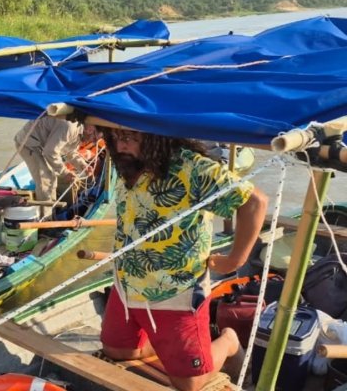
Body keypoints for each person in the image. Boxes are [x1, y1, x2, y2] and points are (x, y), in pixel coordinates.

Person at [98, 127, 268, 391]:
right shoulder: (129, 163)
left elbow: (255, 202)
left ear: (157, 136)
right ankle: (171, 346)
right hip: (127, 281)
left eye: (130, 137)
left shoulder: (192, 167)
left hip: (177, 289)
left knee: (189, 382)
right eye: (114, 137)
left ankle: (228, 340)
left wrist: (234, 260)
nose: (120, 146)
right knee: (117, 350)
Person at [14, 116, 92, 218]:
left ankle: (51, 213)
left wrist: (83, 165)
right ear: (90, 129)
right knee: (46, 180)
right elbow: (50, 152)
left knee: (52, 178)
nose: (94, 141)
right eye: (95, 138)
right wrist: (65, 172)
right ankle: (45, 221)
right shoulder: (70, 127)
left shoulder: (79, 133)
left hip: (44, 146)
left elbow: (70, 152)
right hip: (28, 143)